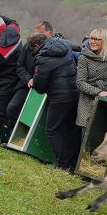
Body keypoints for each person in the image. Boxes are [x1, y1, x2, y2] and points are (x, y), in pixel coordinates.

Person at [32, 33, 80, 172]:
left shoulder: (43, 58)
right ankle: (73, 162)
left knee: (52, 130)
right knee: (71, 129)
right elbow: (79, 48)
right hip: (75, 92)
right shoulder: (64, 43)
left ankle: (63, 164)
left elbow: (39, 87)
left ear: (36, 46)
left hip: (59, 97)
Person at [75, 28, 107, 132]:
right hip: (89, 102)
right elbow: (80, 82)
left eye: (96, 39)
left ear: (104, 41)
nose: (92, 41)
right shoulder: (84, 58)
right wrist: (99, 92)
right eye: (91, 38)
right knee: (88, 139)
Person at [7, 33, 47, 122]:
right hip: (25, 85)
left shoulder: (51, 52)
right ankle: (11, 134)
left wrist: (37, 79)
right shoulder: (27, 47)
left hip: (42, 90)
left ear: (37, 46)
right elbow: (20, 65)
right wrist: (28, 79)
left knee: (31, 117)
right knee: (12, 108)